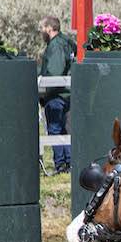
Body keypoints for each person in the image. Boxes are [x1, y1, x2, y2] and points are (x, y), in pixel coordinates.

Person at [39, 16, 74, 174]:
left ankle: (62, 164)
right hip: (66, 94)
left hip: (56, 95)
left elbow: (55, 72)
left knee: (55, 130)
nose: (41, 32)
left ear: (49, 28)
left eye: (42, 28)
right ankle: (68, 163)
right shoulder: (66, 42)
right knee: (64, 130)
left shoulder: (56, 45)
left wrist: (43, 89)